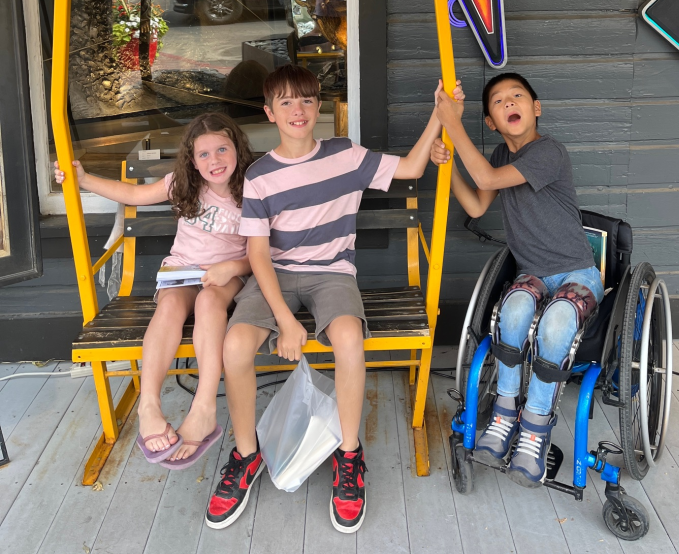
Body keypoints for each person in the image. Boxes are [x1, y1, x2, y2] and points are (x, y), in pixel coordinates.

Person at [206, 64, 463, 533]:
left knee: (348, 340)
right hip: (277, 275)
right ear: (270, 113)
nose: (297, 110)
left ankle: (349, 454)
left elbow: (410, 168)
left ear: (319, 106)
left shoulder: (346, 155)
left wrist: (439, 115)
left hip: (332, 274)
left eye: (306, 99)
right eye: (285, 102)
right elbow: (258, 255)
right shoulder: (259, 175)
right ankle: (246, 454)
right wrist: (285, 321)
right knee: (236, 346)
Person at [430, 73, 603, 489]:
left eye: (518, 95)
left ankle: (534, 427)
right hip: (532, 274)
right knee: (513, 308)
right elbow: (477, 203)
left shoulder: (549, 152)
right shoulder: (499, 155)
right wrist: (447, 165)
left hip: (576, 271)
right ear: (491, 122)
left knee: (556, 322)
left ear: (535, 108)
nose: (509, 102)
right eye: (498, 100)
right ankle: (505, 413)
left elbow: (487, 181)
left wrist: (451, 122)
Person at [55, 112, 253, 467]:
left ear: (237, 147)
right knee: (170, 306)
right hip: (181, 272)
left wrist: (231, 268)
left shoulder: (252, 189)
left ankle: (204, 407)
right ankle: (148, 405)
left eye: (222, 149)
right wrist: (83, 179)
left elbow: (261, 254)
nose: (215, 160)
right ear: (192, 161)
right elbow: (133, 193)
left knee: (209, 302)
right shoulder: (185, 184)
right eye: (204, 154)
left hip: (227, 276)